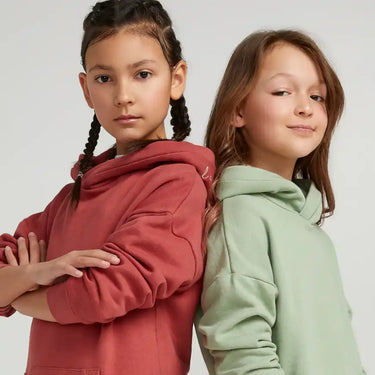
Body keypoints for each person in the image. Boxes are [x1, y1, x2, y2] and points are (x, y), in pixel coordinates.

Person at [0, 1, 214, 374]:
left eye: (143, 74)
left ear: (176, 78)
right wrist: (30, 275)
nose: (123, 96)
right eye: (104, 78)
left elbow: (100, 293)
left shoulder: (178, 187)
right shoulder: (71, 198)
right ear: (86, 89)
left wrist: (21, 298)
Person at [198, 30, 365, 374]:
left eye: (317, 96)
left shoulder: (311, 230)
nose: (305, 107)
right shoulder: (242, 216)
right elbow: (244, 356)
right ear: (237, 110)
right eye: (282, 91)